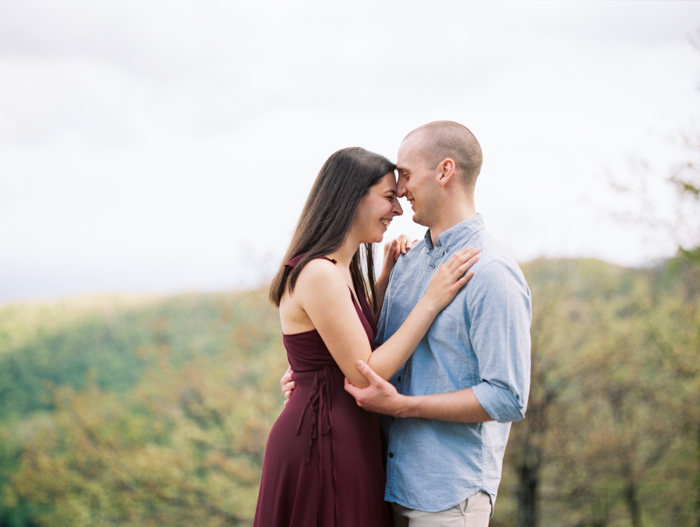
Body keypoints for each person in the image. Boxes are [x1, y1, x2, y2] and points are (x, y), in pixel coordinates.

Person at [283, 122, 532, 526]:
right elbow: (368, 351)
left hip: (447, 496)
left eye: (406, 174)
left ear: (445, 171)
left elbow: (507, 396)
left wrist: (405, 407)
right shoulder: (408, 263)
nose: (400, 190)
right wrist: (313, 372)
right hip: (383, 481)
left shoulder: (491, 271)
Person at [254, 146, 481, 527]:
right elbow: (365, 373)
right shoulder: (320, 272)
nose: (398, 210)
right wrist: (432, 299)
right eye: (389, 197)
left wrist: (385, 278)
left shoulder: (338, 268)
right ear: (353, 198)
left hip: (343, 432)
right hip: (321, 442)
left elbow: (349, 334)